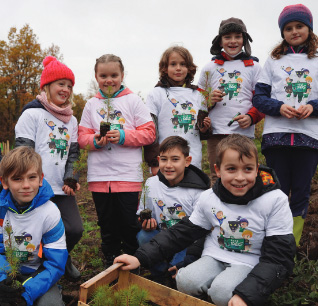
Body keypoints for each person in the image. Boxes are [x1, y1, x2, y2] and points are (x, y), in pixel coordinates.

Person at [115, 134, 296, 306]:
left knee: (222, 292)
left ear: (257, 169)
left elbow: (278, 256)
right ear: (218, 170)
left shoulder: (274, 200)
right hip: (215, 254)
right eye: (231, 169)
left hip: (250, 261)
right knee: (185, 281)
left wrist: (247, 294)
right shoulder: (209, 198)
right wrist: (140, 257)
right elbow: (181, 233)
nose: (240, 177)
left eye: (248, 169)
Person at [78, 54, 156, 267]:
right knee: (106, 223)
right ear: (96, 77)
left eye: (114, 75)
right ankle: (110, 259)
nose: (109, 80)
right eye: (103, 75)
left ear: (122, 75)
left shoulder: (132, 100)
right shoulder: (91, 104)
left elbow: (149, 133)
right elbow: (82, 138)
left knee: (129, 223)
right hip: (99, 176)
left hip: (127, 175)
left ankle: (132, 259)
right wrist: (95, 141)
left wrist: (123, 136)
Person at [252, 4, 318, 246]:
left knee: (300, 193)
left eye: (299, 26)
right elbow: (259, 98)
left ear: (309, 28)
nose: (294, 31)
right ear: (283, 32)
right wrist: (278, 107)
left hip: (309, 140)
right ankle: (271, 242)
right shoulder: (273, 60)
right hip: (276, 137)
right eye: (288, 28)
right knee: (275, 193)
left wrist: (314, 106)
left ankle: (291, 246)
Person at [15, 56, 83, 281]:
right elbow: (23, 154)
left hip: (61, 188)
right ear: (46, 86)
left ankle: (60, 259)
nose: (65, 90)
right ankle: (41, 268)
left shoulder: (71, 120)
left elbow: (73, 154)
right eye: (60, 84)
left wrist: (71, 177)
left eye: (69, 86)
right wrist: (31, 182)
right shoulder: (32, 114)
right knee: (36, 232)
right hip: (36, 187)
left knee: (74, 229)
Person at [198, 17, 264, 182]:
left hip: (243, 133)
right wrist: (209, 100)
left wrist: (251, 117)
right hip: (216, 133)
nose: (233, 41)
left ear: (244, 40)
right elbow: (196, 102)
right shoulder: (209, 67)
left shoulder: (255, 67)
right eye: (227, 37)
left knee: (245, 177)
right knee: (217, 176)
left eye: (237, 36)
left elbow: (262, 100)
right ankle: (216, 209)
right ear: (220, 41)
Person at [0, 146, 68, 306]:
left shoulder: (50, 212)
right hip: (7, 270)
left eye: (31, 177)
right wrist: (2, 281)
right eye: (17, 179)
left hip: (38, 273)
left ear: (40, 178)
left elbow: (55, 263)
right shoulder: (1, 211)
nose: (26, 185)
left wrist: (26, 293)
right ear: (4, 182)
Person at [137, 136, 210, 281]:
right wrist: (145, 224)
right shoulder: (151, 183)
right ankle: (159, 273)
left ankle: (174, 274)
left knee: (180, 267)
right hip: (161, 236)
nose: (168, 165)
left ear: (187, 161)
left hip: (187, 241)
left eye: (175, 159)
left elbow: (201, 230)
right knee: (143, 236)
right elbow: (142, 213)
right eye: (164, 159)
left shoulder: (198, 191)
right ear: (158, 160)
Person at [144, 46, 211, 174]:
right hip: (165, 162)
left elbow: (202, 132)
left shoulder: (199, 95)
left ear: (189, 68)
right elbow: (151, 132)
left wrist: (204, 129)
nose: (178, 68)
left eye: (183, 64)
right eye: (173, 64)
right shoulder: (156, 94)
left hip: (192, 160)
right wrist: (154, 162)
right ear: (165, 68)